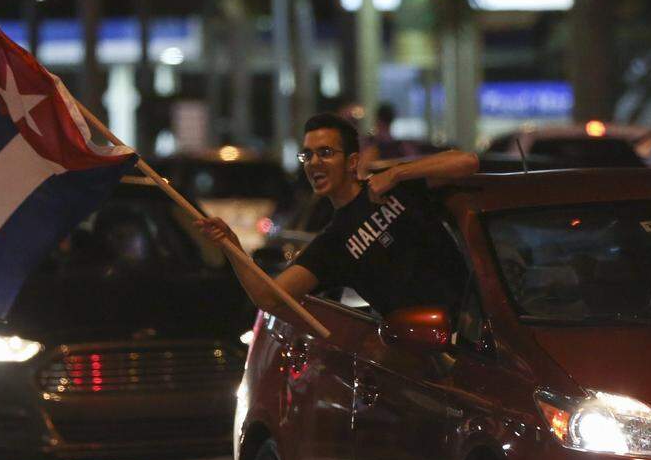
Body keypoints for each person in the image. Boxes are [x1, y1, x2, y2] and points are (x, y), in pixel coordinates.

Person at [195, 112, 479, 325]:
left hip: (480, 325)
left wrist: (396, 173)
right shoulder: (333, 243)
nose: (314, 162)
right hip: (430, 350)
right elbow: (271, 298)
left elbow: (467, 162)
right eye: (307, 155)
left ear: (352, 161)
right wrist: (231, 245)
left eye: (326, 153)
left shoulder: (398, 185)